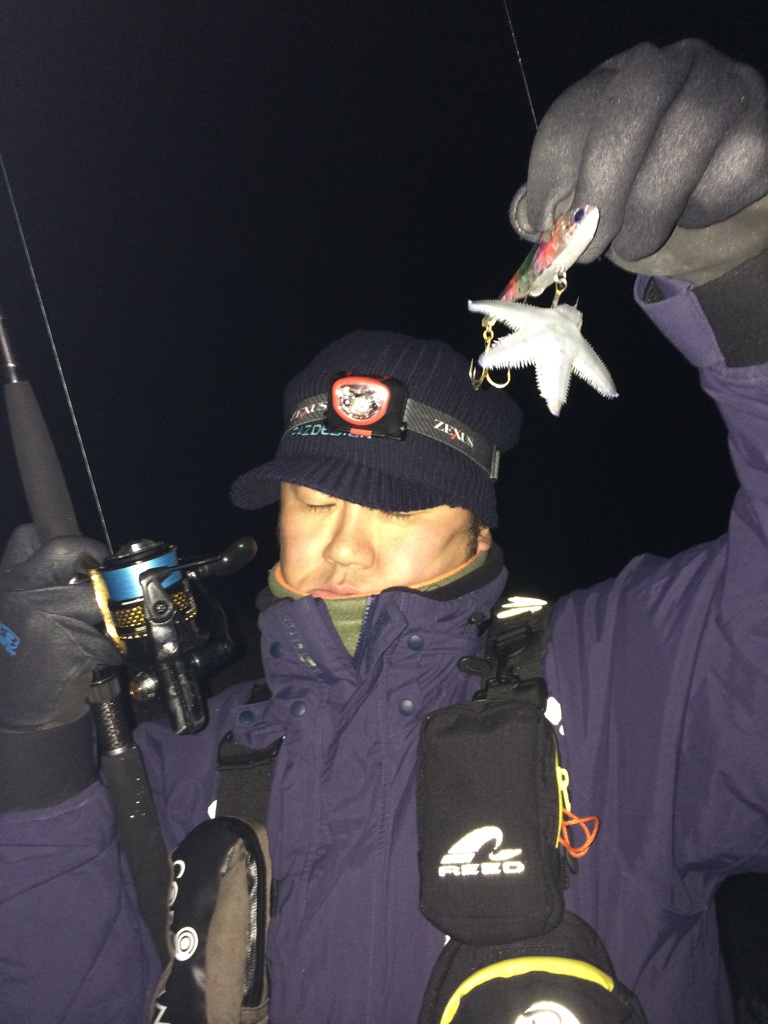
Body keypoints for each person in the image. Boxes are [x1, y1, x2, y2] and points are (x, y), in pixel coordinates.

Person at [2, 37, 768, 1024]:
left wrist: (741, 275)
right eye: (314, 504)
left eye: (399, 509)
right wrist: (31, 748)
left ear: (480, 537)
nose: (344, 547)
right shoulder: (185, 765)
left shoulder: (633, 680)